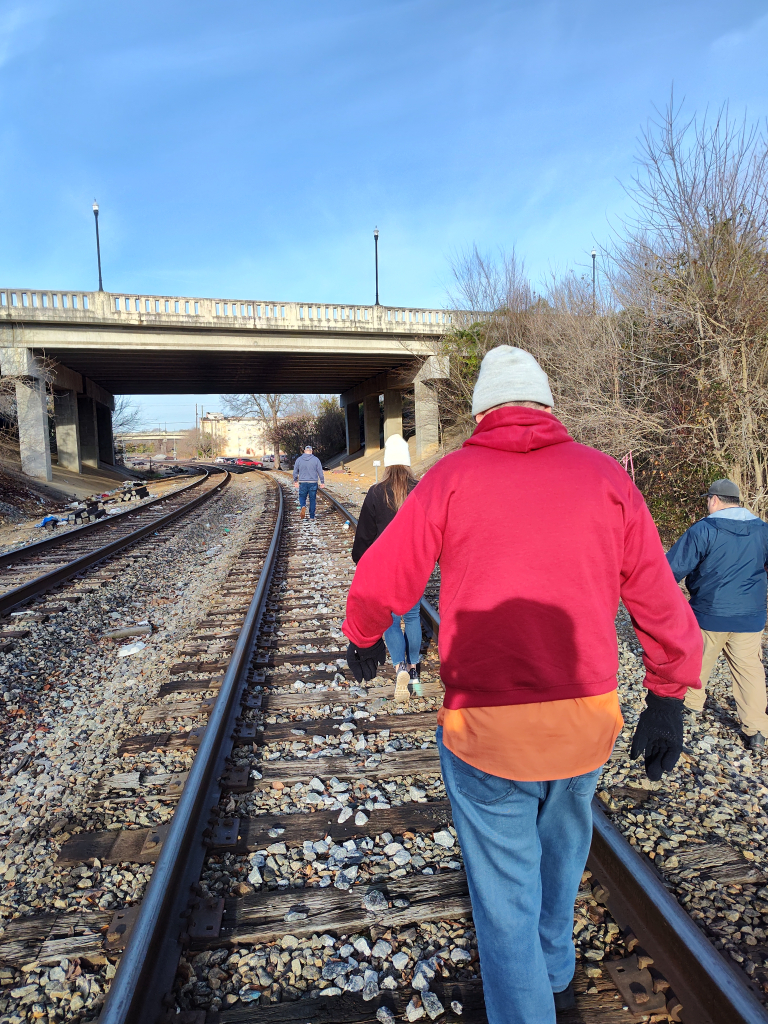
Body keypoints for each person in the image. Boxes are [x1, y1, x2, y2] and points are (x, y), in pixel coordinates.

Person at [342, 345, 701, 1024]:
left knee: (505, 900)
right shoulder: (606, 479)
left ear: (483, 412)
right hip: (583, 724)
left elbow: (381, 576)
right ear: (545, 404)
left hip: (488, 730)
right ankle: (559, 979)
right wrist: (667, 695)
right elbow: (658, 597)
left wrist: (363, 637)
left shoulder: (449, 479)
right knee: (562, 862)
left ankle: (532, 1005)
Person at [666, 479, 768, 751]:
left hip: (709, 612)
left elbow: (672, 570)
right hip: (751, 616)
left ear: (714, 500)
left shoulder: (704, 529)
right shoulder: (762, 530)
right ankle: (756, 730)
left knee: (698, 662)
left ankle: (691, 707)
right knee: (750, 672)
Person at [352, 433, 420, 703]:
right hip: (414, 565)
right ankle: (414, 670)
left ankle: (400, 666)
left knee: (390, 618)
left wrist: (360, 561)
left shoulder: (376, 492)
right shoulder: (420, 490)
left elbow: (365, 536)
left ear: (387, 462)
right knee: (412, 616)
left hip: (384, 568)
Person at [292, 444, 325, 520]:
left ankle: (303, 506)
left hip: (303, 482)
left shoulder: (299, 459)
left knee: (302, 496)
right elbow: (320, 471)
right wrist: (322, 482)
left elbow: (295, 471)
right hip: (313, 482)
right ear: (311, 451)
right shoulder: (316, 459)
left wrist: (295, 481)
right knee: (312, 499)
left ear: (304, 451)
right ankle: (312, 516)